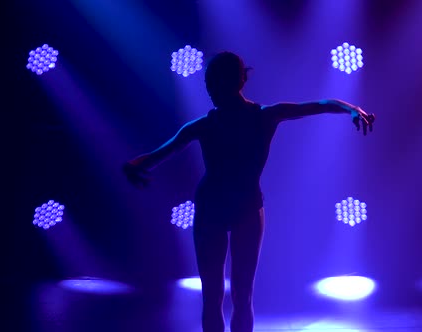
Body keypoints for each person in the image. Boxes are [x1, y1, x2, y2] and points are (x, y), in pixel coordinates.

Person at [122, 51, 375, 332]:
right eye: (208, 83)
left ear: (236, 81)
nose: (209, 90)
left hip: (242, 207)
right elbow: (158, 154)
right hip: (218, 208)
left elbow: (321, 104)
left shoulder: (260, 116)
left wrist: (352, 108)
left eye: (214, 83)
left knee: (240, 296)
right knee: (216, 296)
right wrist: (135, 164)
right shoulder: (209, 125)